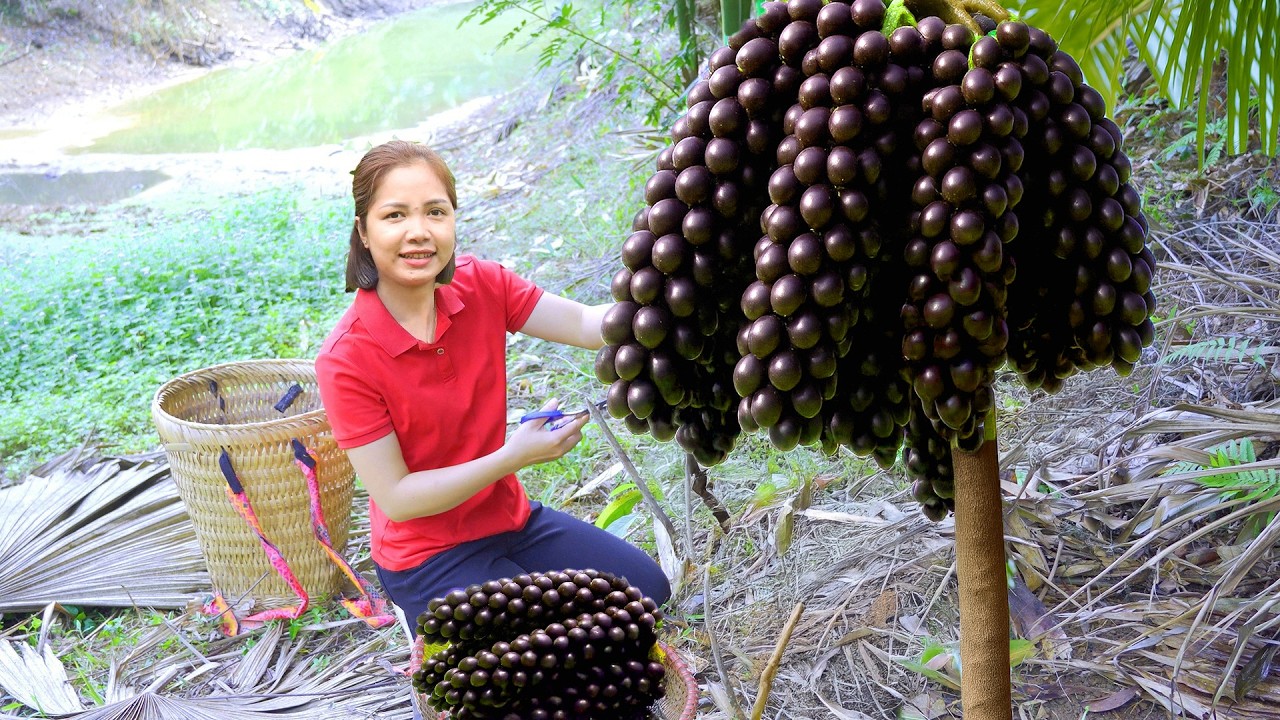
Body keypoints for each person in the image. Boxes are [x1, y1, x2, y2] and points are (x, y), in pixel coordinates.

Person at [315, 140, 671, 640]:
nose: (419, 232)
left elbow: (591, 325)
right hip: (426, 557)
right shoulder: (346, 358)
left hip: (509, 522)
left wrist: (672, 269)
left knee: (647, 592)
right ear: (364, 231)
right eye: (395, 215)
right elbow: (396, 498)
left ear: (453, 220)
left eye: (435, 212)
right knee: (551, 653)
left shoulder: (481, 285)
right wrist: (512, 456)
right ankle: (431, 628)